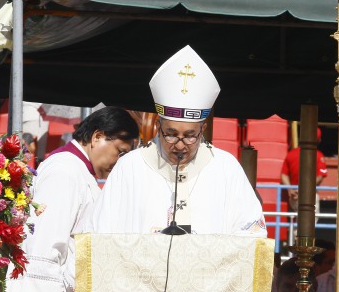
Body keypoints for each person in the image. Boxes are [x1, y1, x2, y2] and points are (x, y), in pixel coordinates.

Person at [1, 107, 139, 292]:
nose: (120, 161)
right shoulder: (65, 170)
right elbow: (47, 239)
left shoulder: (79, 171)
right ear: (98, 136)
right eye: (121, 151)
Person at [90, 45, 266, 236]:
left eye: (190, 136)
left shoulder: (225, 168)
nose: (180, 145)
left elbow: (252, 235)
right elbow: (100, 234)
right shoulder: (130, 167)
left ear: (202, 130)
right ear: (158, 127)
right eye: (171, 134)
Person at [280, 127, 327, 212]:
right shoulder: (318, 155)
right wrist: (302, 190)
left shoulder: (291, 154)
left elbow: (283, 175)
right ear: (318, 140)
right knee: (311, 222)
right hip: (310, 195)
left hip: (293, 196)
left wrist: (290, 190)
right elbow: (320, 177)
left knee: (297, 221)